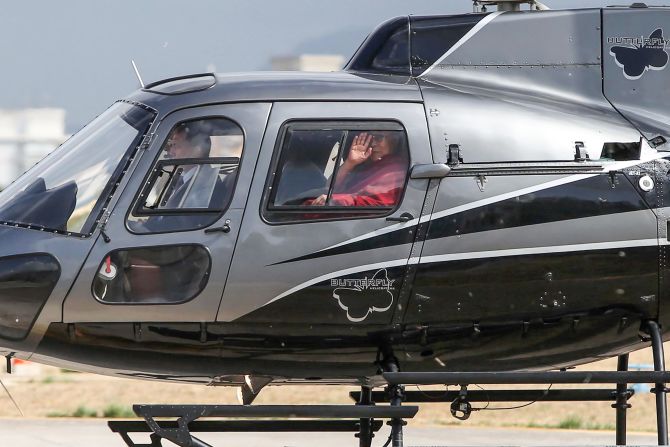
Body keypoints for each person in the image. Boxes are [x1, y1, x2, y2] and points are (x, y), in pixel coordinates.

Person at [310, 131, 407, 207]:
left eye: (378, 138)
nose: (372, 144)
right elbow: (330, 187)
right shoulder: (368, 168)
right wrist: (350, 163)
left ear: (394, 140)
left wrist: (336, 201)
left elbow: (373, 203)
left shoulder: (394, 171)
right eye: (370, 138)